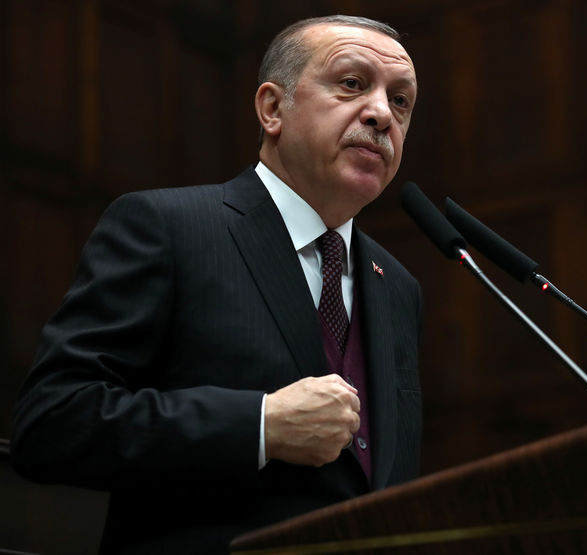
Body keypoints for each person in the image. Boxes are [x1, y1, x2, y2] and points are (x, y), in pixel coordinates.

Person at [11, 15, 422, 554]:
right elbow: (53, 424)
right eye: (351, 83)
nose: (379, 113)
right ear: (273, 108)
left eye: (400, 101)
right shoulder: (167, 227)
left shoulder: (397, 286)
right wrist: (258, 425)